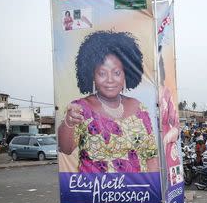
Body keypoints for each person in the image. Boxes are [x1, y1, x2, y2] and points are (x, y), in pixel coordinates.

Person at [58, 31, 158, 173]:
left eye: (117, 73)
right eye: (102, 73)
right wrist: (68, 122)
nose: (110, 80)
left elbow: (151, 156)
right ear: (92, 75)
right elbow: (65, 149)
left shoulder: (139, 108)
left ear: (126, 75)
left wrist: (153, 188)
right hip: (97, 192)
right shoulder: (80, 108)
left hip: (136, 192)